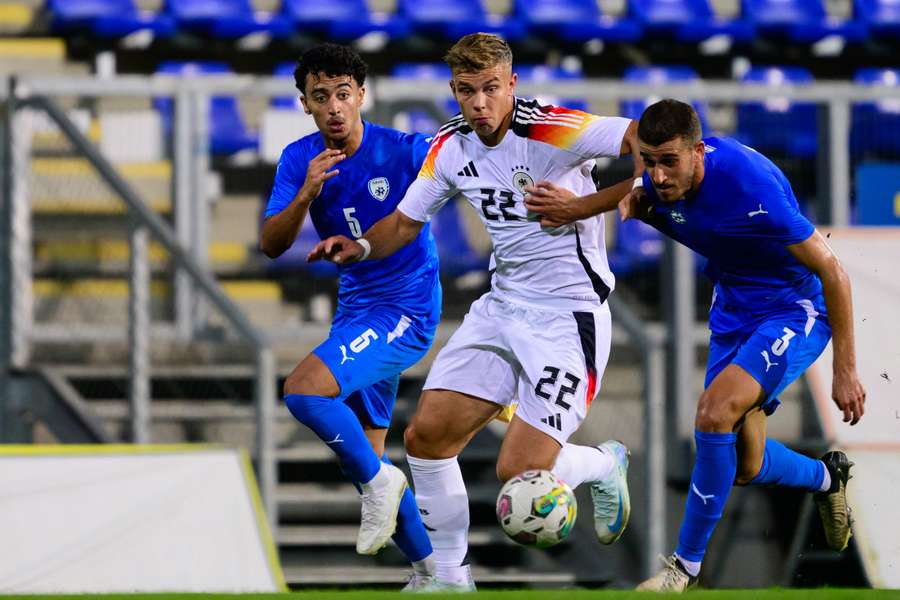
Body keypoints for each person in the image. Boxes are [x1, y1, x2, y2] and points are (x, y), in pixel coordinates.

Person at [308, 33, 643, 590]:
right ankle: (449, 576)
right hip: (501, 308)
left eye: (491, 89)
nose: (480, 103)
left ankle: (605, 464)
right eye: (468, 91)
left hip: (569, 318)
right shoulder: (450, 147)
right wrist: (362, 245)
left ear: (511, 84)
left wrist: (584, 204)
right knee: (427, 438)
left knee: (519, 473)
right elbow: (406, 222)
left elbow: (643, 144)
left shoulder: (553, 128)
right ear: (454, 92)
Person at [523, 98, 866, 592]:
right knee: (745, 466)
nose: (657, 176)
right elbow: (634, 188)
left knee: (713, 412)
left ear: (699, 151)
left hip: (793, 308)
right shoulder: (658, 185)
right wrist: (575, 208)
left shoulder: (751, 187)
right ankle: (826, 479)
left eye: (669, 162)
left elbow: (832, 270)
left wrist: (845, 369)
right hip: (733, 308)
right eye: (649, 160)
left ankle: (683, 569)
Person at [259, 43, 443, 590]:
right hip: (357, 311)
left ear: (361, 96)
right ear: (305, 104)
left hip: (406, 309)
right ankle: (435, 574)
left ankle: (385, 489)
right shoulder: (300, 160)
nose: (334, 107)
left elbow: (458, 172)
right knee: (363, 460)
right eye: (321, 97)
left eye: (343, 94)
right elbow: (271, 244)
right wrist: (306, 194)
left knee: (304, 391)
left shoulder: (403, 150)